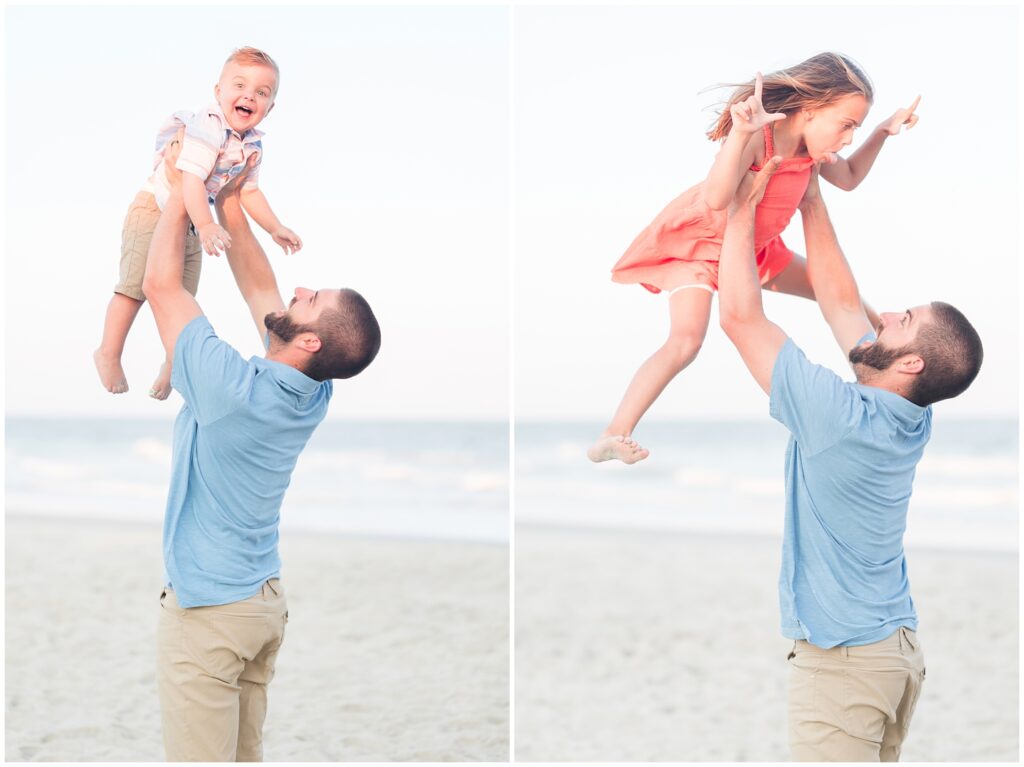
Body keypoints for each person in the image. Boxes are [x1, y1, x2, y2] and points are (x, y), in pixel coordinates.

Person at [716, 151, 982, 759]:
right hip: (892, 653)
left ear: (910, 362)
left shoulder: (840, 418)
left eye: (902, 320)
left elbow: (738, 315)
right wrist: (810, 195)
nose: (883, 315)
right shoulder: (910, 413)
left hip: (847, 662)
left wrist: (738, 209)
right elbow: (839, 299)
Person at [144, 136, 381, 761]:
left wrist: (182, 186)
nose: (296, 291)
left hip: (214, 613)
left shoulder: (232, 390)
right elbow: (256, 278)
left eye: (310, 301)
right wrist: (230, 202)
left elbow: (160, 286)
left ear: (307, 342)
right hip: (261, 608)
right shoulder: (311, 390)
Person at [588, 52, 921, 464]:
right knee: (686, 340)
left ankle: (883, 358)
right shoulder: (761, 138)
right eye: (847, 125)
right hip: (705, 247)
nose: (849, 138)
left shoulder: (812, 151)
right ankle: (613, 433)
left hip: (757, 250)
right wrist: (739, 136)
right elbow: (716, 197)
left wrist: (884, 133)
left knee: (831, 288)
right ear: (812, 110)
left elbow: (849, 178)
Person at [94, 46, 302, 401]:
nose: (249, 95)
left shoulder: (252, 145)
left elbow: (248, 193)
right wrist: (206, 225)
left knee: (181, 297)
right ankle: (109, 352)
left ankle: (173, 364)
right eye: (239, 85)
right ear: (218, 92)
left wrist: (274, 227)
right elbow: (188, 180)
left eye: (261, 93)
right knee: (135, 286)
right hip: (157, 208)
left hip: (192, 220)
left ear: (269, 108)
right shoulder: (209, 125)